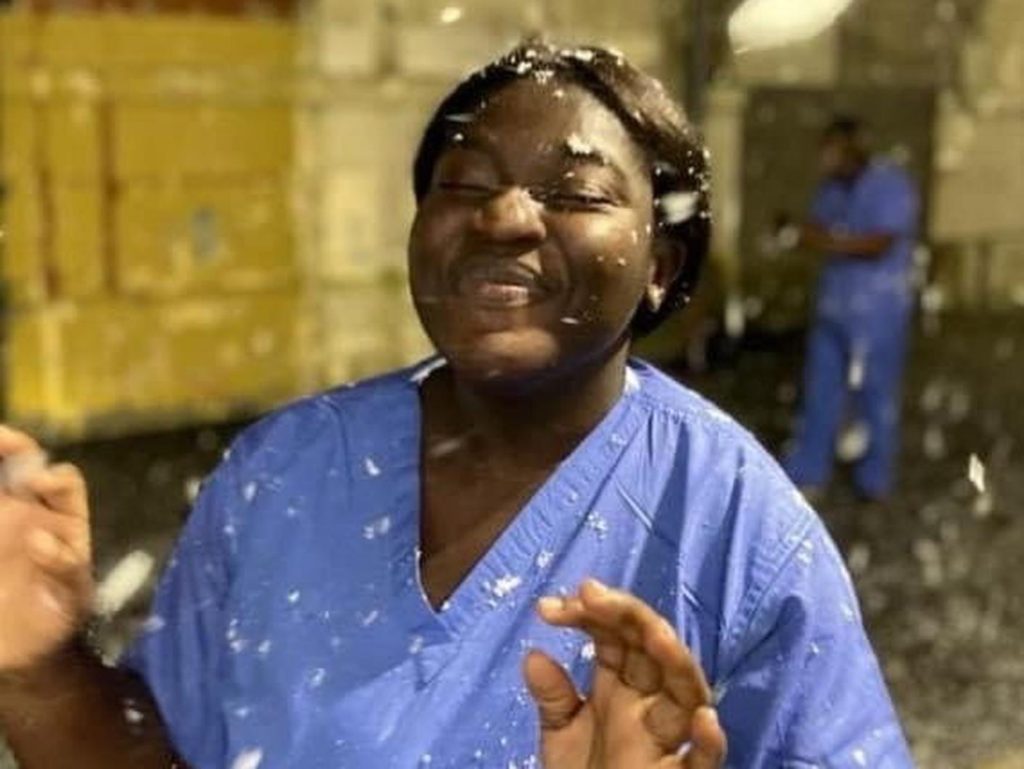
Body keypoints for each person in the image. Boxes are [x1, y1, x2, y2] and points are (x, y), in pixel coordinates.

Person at [0, 45, 912, 768]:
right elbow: (160, 755)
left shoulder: (732, 523)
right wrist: (45, 670)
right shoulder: (282, 470)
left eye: (577, 193)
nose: (504, 217)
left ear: (659, 268)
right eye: (464, 184)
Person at [782, 116, 920, 503]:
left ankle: (874, 477)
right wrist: (802, 234)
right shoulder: (832, 189)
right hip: (834, 306)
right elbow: (815, 229)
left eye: (832, 151)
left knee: (875, 393)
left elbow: (880, 243)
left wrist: (825, 240)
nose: (824, 160)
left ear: (851, 150)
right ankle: (811, 467)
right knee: (821, 389)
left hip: (877, 311)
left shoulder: (890, 184)